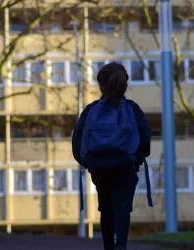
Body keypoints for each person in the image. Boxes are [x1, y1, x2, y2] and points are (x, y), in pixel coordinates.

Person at [72, 62, 152, 250]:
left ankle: (108, 246)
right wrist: (138, 159)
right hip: (125, 165)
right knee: (122, 207)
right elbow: (145, 136)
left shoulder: (91, 110)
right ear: (124, 84)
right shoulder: (132, 109)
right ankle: (121, 245)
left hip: (99, 166)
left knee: (106, 207)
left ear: (101, 84)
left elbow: (77, 138)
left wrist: (86, 162)